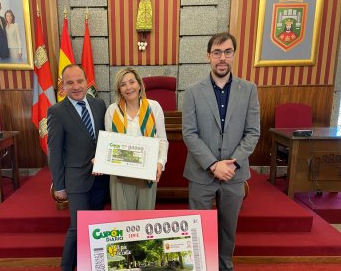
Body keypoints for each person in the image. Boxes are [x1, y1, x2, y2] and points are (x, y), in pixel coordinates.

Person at [182, 32, 260, 271]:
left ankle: (225, 266)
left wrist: (231, 164)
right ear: (208, 56)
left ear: (234, 55)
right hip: (201, 173)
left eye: (227, 52)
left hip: (234, 175)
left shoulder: (248, 89)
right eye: (217, 53)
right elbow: (189, 133)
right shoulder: (193, 91)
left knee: (228, 228)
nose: (222, 57)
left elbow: (253, 132)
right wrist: (214, 165)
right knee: (199, 229)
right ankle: (202, 266)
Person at [47, 64, 109, 271]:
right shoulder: (56, 111)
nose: (76, 86)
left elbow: (106, 140)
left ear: (87, 81)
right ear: (62, 86)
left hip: (100, 179)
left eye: (79, 81)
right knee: (78, 228)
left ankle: (90, 265)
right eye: (70, 82)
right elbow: (54, 151)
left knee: (95, 228)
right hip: (76, 181)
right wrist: (59, 185)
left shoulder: (99, 104)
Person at [104, 67, 168, 210]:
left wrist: (160, 162)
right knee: (121, 219)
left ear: (139, 84)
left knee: (143, 220)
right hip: (120, 175)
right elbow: (109, 145)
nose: (128, 87)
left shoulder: (154, 107)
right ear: (119, 89)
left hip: (147, 172)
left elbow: (162, 140)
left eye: (131, 82)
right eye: (123, 84)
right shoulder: (112, 111)